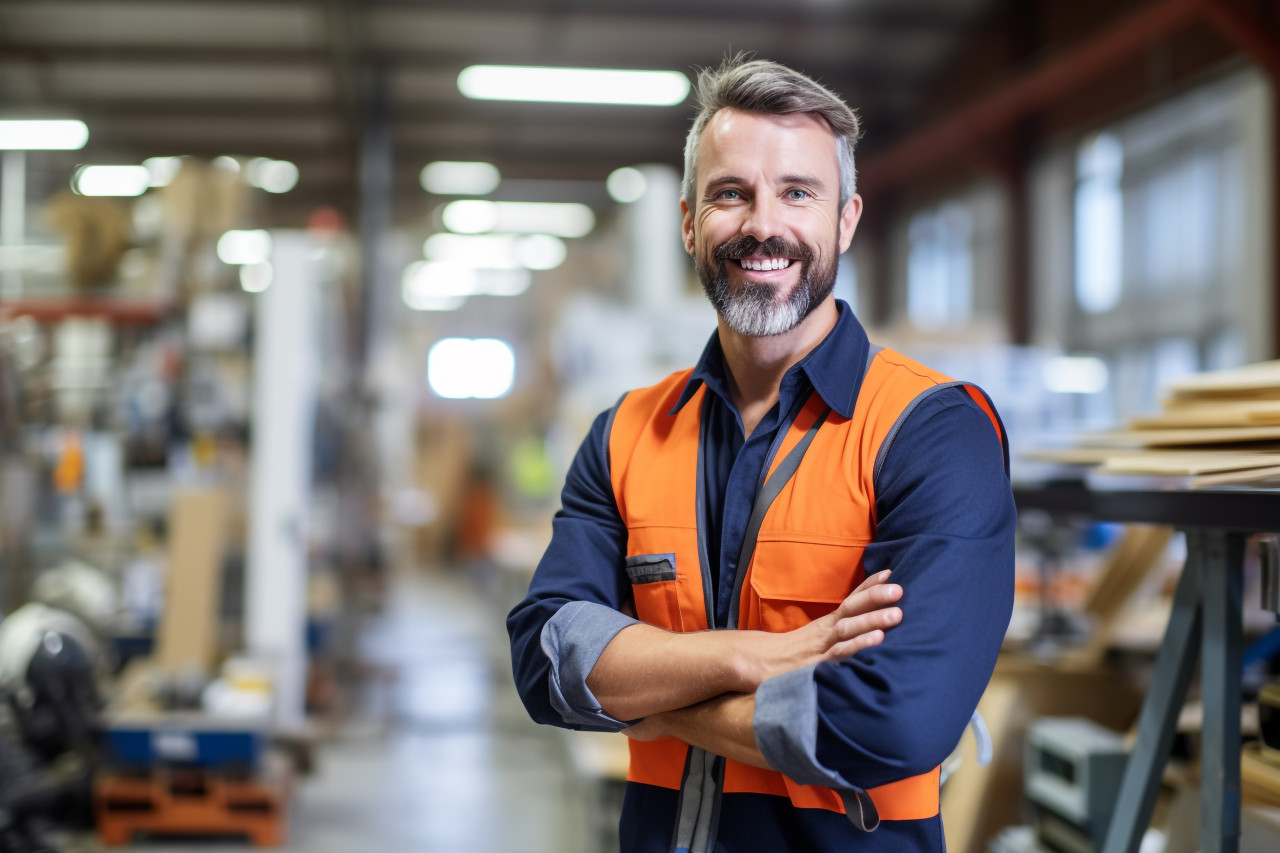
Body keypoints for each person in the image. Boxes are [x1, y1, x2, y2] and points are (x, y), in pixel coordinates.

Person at [507, 54, 1015, 853]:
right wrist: (761, 654)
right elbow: (545, 659)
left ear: (845, 219)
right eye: (730, 193)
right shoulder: (625, 434)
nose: (762, 225)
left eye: (797, 193)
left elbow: (892, 720)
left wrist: (648, 690)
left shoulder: (930, 430)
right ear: (688, 221)